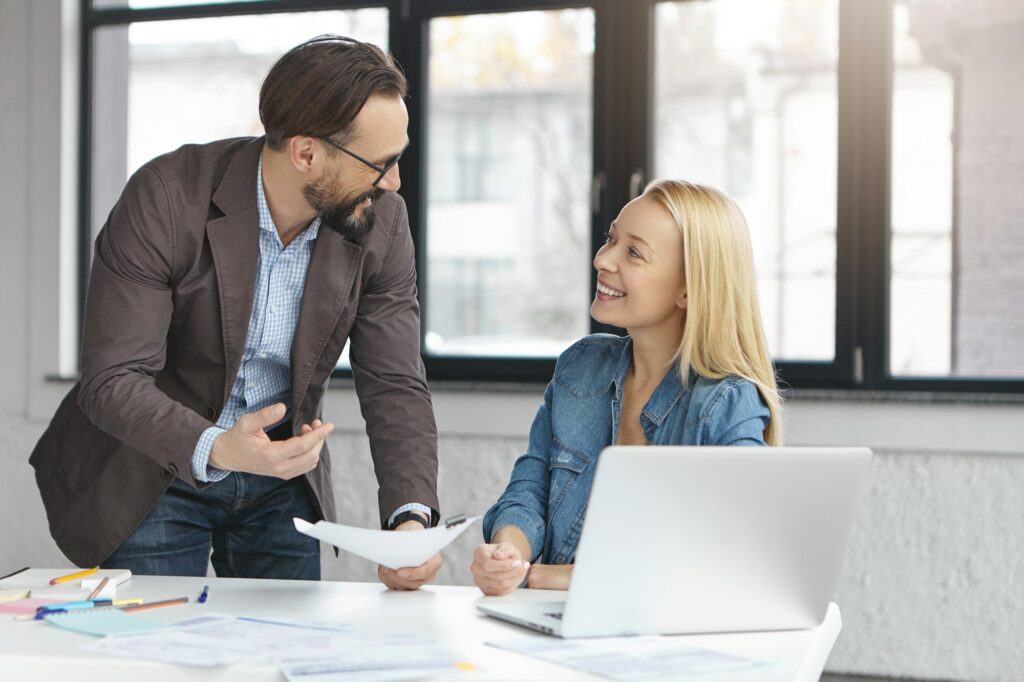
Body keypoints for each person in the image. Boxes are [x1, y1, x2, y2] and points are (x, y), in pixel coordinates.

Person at [30, 35, 441, 590]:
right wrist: (219, 446)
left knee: (284, 659)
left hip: (281, 481)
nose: (393, 182)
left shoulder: (382, 222)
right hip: (157, 467)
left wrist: (410, 519)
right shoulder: (167, 197)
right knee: (158, 659)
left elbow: (394, 381)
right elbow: (112, 378)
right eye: (380, 163)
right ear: (305, 152)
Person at [471, 179, 783, 595]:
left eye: (633, 252)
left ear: (688, 289)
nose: (603, 259)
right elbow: (530, 487)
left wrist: (548, 577)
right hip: (557, 626)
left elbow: (727, 560)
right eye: (610, 239)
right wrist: (508, 555)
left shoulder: (727, 404)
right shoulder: (580, 367)